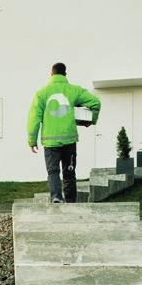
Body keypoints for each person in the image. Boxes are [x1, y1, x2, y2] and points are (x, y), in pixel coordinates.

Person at [27, 62, 101, 203]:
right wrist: (90, 121)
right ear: (65, 74)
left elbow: (33, 118)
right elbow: (96, 103)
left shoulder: (41, 93)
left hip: (50, 142)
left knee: (53, 172)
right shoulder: (74, 90)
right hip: (69, 140)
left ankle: (56, 197)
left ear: (51, 74)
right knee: (69, 172)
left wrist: (32, 140)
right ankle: (71, 200)